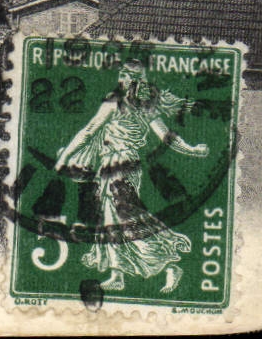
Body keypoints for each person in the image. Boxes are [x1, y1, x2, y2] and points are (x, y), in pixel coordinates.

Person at [55, 59, 208, 293]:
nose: (123, 80)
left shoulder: (116, 103)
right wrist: (191, 149)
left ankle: (169, 265)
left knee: (125, 219)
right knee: (111, 218)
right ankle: (117, 274)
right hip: (119, 164)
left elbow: (89, 131)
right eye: (123, 75)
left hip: (119, 165)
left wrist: (64, 156)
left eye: (127, 76)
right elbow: (167, 138)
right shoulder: (144, 106)